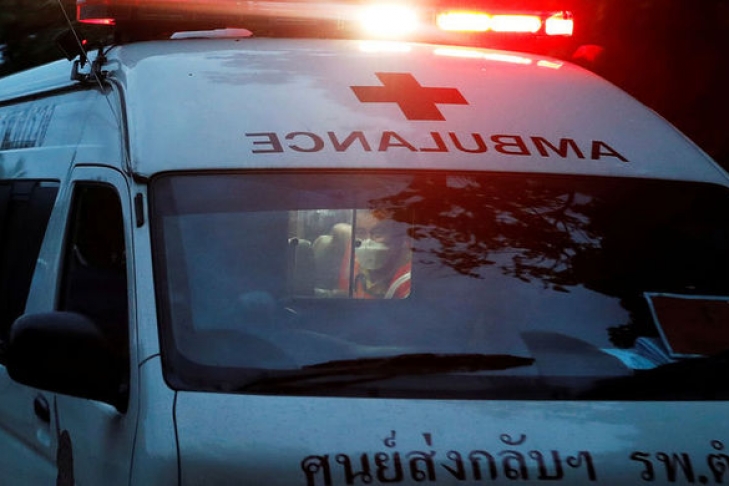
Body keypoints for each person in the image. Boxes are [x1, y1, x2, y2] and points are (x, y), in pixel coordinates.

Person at [337, 209, 412, 299]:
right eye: (360, 232)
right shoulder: (353, 251)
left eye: (378, 233)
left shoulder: (410, 278)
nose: (367, 243)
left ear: (398, 237)